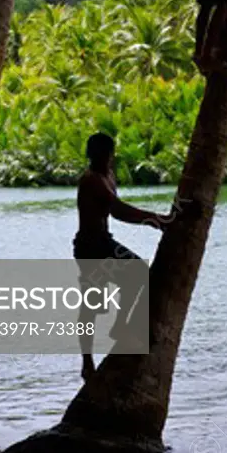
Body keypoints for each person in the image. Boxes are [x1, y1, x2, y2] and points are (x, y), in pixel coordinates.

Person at [73, 132, 172, 382]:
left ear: (110, 155)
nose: (103, 158)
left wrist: (155, 219)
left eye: (106, 154)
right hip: (90, 249)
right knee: (92, 307)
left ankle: (120, 325)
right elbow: (117, 210)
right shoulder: (91, 180)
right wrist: (154, 219)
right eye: (98, 154)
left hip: (105, 243)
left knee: (139, 274)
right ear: (91, 155)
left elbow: (115, 211)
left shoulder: (107, 176)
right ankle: (87, 361)